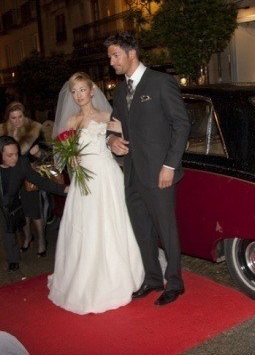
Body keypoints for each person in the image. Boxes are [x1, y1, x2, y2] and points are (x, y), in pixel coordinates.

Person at [104, 32, 190, 306]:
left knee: (166, 229)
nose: (111, 62)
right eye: (110, 57)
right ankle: (152, 279)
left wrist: (169, 165)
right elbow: (114, 126)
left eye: (115, 55)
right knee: (142, 230)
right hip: (131, 173)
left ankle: (174, 282)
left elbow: (182, 125)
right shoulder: (119, 90)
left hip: (159, 171)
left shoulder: (161, 82)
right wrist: (111, 141)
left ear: (131, 53)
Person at [47, 72, 144, 315]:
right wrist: (72, 160)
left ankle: (122, 275)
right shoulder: (70, 122)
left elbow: (127, 138)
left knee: (112, 224)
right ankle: (84, 278)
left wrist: (121, 143)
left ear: (92, 90)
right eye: (74, 91)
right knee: (84, 227)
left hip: (106, 176)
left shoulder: (107, 116)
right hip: (83, 183)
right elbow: (61, 154)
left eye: (82, 89)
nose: (79, 95)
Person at [0, 136, 68, 271]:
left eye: (16, 154)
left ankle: (13, 259)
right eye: (9, 155)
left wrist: (65, 189)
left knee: (8, 231)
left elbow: (40, 181)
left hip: (8, 204)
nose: (15, 158)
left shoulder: (21, 164)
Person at [0, 102, 49, 256]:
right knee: (20, 212)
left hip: (29, 176)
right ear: (8, 117)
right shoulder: (2, 131)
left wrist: (38, 153)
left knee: (34, 211)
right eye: (13, 118)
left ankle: (41, 240)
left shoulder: (34, 129)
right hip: (10, 178)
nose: (17, 121)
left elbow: (48, 153)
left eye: (20, 116)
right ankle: (27, 238)